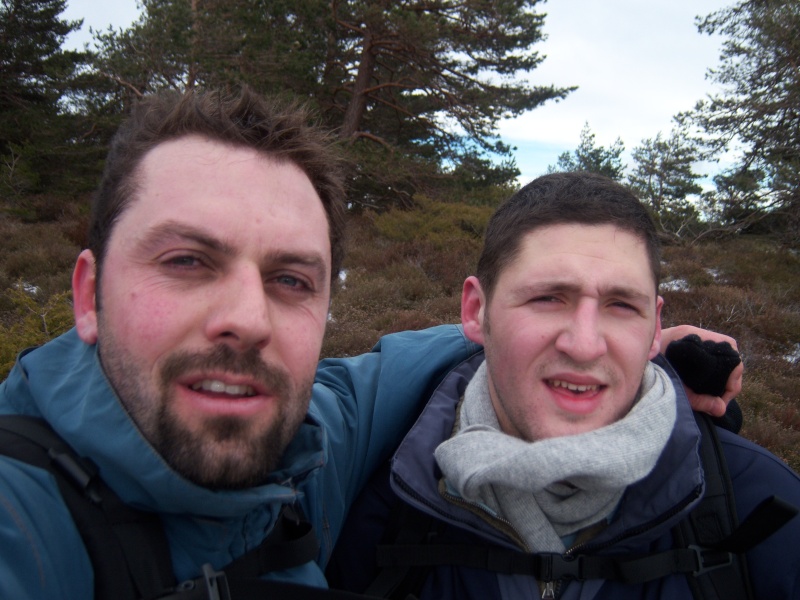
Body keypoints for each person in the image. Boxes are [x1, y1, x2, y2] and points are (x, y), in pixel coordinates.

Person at [0, 87, 741, 600]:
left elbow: (392, 368)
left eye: (290, 279)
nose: (248, 319)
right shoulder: (23, 516)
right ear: (85, 295)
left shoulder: (308, 447)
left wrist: (615, 340)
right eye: (187, 262)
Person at [326, 172, 800, 599]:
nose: (585, 344)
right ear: (476, 310)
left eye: (620, 305)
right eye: (548, 297)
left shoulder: (763, 509)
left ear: (655, 328)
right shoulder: (379, 499)